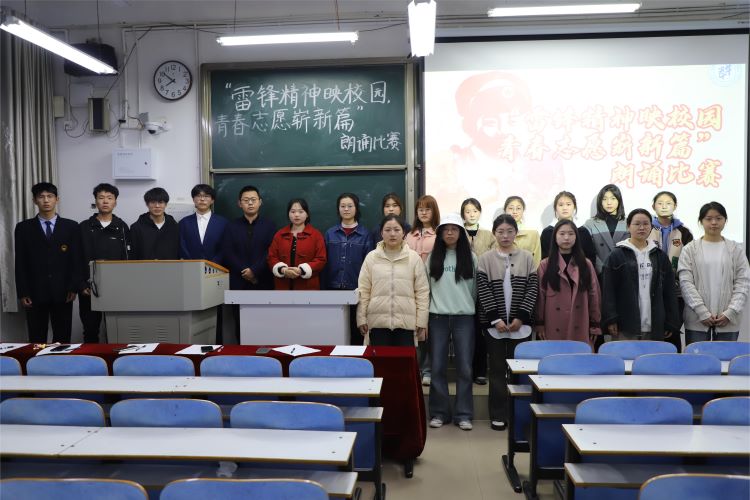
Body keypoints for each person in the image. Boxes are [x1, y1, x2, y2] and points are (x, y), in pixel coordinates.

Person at [477, 214, 538, 431]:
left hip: (521, 326)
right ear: (494, 233)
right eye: (500, 231)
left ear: (516, 233)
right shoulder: (485, 259)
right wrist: (496, 319)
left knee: (519, 372)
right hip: (494, 327)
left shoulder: (527, 258)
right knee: (496, 371)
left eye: (510, 231)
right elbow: (483, 290)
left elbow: (533, 289)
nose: (505, 236)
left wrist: (520, 317)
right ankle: (498, 415)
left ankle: (519, 415)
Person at [426, 213, 477, 431]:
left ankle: (463, 414)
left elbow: (474, 291)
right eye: (445, 229)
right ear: (440, 234)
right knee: (437, 367)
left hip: (464, 317)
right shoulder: (432, 257)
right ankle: (439, 413)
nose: (449, 233)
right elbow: (427, 288)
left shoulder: (471, 258)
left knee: (464, 368)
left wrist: (465, 306)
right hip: (437, 317)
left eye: (454, 229)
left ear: (461, 233)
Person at [14, 182, 82, 343]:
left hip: (63, 291)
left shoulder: (71, 226)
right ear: (34, 200)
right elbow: (20, 262)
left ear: (57, 199)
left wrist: (73, 287)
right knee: (36, 338)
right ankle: (37, 361)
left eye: (50, 196)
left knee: (63, 338)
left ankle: (61, 360)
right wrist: (23, 292)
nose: (46, 200)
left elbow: (76, 259)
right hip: (34, 292)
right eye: (41, 197)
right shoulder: (23, 228)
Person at [601, 208, 680, 341]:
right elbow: (608, 290)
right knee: (625, 355)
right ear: (628, 226)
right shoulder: (617, 255)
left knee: (653, 355)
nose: (641, 228)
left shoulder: (659, 256)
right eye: (637, 224)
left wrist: (671, 321)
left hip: (655, 325)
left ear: (651, 226)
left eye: (646, 224)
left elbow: (669, 291)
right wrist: (610, 318)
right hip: (625, 325)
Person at [678, 202, 750, 344]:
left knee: (726, 356)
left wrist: (731, 312)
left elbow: (743, 282)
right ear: (701, 221)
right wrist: (701, 311)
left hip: (728, 319)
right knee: (697, 357)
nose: (714, 222)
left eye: (718, 218)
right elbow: (686, 283)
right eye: (708, 218)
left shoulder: (736, 249)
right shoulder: (689, 249)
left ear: (725, 220)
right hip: (697, 318)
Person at [357, 214, 429, 347]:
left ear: (404, 233)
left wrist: (421, 320)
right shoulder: (371, 258)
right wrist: (361, 318)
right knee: (380, 360)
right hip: (377, 324)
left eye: (396, 230)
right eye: (388, 230)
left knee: (404, 360)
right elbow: (363, 290)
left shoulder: (413, 258)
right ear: (381, 233)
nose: (392, 234)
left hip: (406, 324)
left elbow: (422, 292)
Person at [222, 185, 276, 341]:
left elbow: (271, 252)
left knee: (265, 323)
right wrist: (244, 271)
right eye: (246, 200)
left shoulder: (270, 225)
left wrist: (255, 271)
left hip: (263, 281)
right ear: (239, 203)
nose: (250, 203)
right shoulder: (231, 226)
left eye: (253, 199)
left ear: (260, 202)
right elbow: (227, 252)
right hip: (238, 281)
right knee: (240, 324)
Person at [79, 183, 131, 343]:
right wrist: (81, 284)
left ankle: (115, 358)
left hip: (116, 288)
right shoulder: (84, 227)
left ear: (115, 202)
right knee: (90, 330)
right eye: (101, 198)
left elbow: (128, 259)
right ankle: (91, 358)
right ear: (96, 201)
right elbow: (76, 258)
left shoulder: (122, 227)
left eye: (109, 198)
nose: (105, 201)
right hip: (89, 287)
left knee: (116, 330)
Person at [536, 220, 601, 347]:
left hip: (580, 321)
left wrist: (595, 324)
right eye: (562, 234)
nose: (566, 238)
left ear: (576, 237)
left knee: (578, 355)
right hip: (553, 322)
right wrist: (539, 323)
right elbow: (540, 297)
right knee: (555, 355)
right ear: (555, 237)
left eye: (571, 234)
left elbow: (594, 295)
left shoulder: (585, 264)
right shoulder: (545, 265)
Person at [324, 193, 373, 344]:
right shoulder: (330, 233)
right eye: (342, 206)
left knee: (356, 333)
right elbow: (324, 262)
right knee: (333, 332)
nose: (346, 209)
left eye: (350, 206)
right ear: (338, 209)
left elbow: (369, 266)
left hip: (357, 291)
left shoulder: (365, 234)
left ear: (356, 208)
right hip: (332, 289)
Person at [649, 191, 693, 351]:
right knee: (652, 334)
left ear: (675, 206)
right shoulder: (646, 228)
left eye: (668, 203)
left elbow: (690, 261)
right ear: (653, 206)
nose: (664, 206)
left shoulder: (684, 232)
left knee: (672, 332)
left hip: (676, 291)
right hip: (651, 289)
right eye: (660, 203)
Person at [406, 194, 440, 385]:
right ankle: (415, 369)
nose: (424, 212)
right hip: (411, 289)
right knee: (416, 330)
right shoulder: (409, 235)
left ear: (434, 211)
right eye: (420, 209)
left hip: (433, 288)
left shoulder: (439, 234)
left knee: (429, 331)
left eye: (428, 209)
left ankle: (428, 370)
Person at [461, 197, 494, 385]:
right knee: (467, 333)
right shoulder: (457, 233)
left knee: (482, 332)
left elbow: (494, 257)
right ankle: (466, 371)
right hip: (463, 290)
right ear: (462, 214)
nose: (471, 214)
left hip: (485, 289)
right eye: (468, 211)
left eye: (475, 211)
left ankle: (480, 371)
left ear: (480, 213)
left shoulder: (489, 235)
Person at [268, 198, 327, 290]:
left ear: (307, 214)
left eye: (301, 211)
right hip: (282, 286)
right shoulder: (279, 234)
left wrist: (301, 270)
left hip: (308, 287)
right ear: (288, 214)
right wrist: (283, 269)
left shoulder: (316, 235)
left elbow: (321, 259)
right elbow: (271, 257)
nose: (296, 215)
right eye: (293, 211)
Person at [540, 191, 596, 264]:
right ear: (555, 208)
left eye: (568, 204)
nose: (565, 208)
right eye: (561, 205)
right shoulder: (547, 232)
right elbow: (544, 258)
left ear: (574, 207)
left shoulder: (583, 231)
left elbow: (590, 257)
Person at [584, 184, 628, 275]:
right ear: (600, 202)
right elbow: (589, 251)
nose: (609, 202)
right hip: (600, 273)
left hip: (625, 272)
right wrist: (602, 269)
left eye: (613, 198)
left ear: (619, 200)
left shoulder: (629, 223)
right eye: (604, 199)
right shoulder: (590, 224)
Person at [179, 184, 228, 264]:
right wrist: (192, 264)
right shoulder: (184, 223)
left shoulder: (223, 223)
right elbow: (182, 247)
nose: (202, 199)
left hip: (217, 268)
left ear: (212, 200)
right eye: (198, 196)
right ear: (193, 199)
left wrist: (213, 264)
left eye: (206, 196)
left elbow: (225, 247)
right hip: (191, 267)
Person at [130, 187, 180, 260]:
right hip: (145, 267)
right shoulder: (136, 228)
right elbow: (133, 255)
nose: (157, 206)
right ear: (147, 204)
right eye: (153, 202)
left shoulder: (174, 226)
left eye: (160, 202)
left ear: (166, 204)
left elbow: (178, 252)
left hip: (170, 266)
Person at [503, 196, 541, 265]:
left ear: (523, 210)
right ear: (505, 210)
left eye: (518, 208)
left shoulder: (533, 233)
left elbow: (537, 259)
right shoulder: (498, 233)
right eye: (511, 208)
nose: (514, 212)